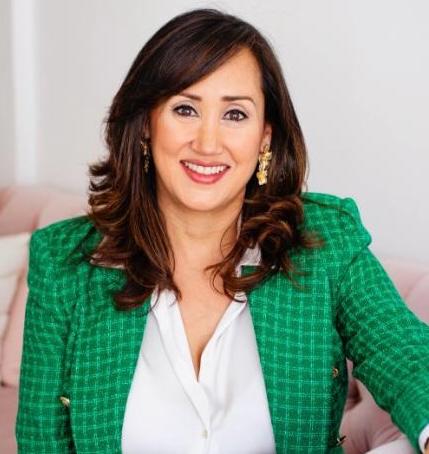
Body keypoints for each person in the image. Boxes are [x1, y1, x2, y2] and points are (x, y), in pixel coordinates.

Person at [15, 8, 429, 454]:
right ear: (146, 126)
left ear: (265, 137)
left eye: (234, 114)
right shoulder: (63, 262)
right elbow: (42, 441)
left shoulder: (325, 241)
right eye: (185, 109)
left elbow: (406, 358)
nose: (208, 143)